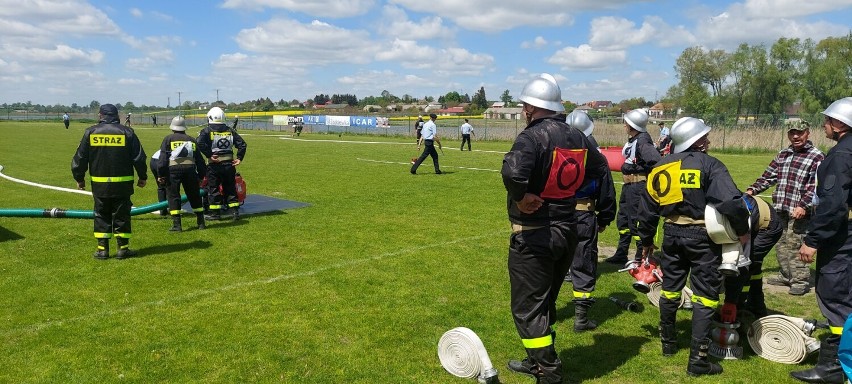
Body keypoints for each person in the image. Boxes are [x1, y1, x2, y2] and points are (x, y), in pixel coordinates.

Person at [502, 74, 609, 384]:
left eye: (524, 105)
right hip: (568, 229)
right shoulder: (578, 136)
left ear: (533, 107)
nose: (523, 110)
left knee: (526, 309)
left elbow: (512, 172)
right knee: (544, 301)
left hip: (535, 233)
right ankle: (535, 361)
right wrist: (570, 191)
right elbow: (600, 169)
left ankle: (548, 371)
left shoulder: (532, 135)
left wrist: (523, 198)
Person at [637, 117, 750, 377]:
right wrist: (742, 231)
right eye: (705, 137)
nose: (708, 141)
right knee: (705, 295)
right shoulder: (710, 165)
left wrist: (645, 241)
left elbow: (647, 209)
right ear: (697, 140)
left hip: (671, 235)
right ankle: (698, 360)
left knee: (670, 290)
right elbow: (731, 203)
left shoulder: (661, 166)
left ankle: (668, 342)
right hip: (702, 238)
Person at [793, 97, 852, 384]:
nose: (824, 125)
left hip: (841, 236)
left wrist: (813, 239)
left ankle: (833, 367)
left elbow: (833, 205)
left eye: (828, 120)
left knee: (834, 296)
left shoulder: (840, 156)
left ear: (841, 124)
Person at [746, 122, 823, 296]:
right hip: (781, 207)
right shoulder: (783, 154)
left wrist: (804, 205)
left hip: (801, 211)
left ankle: (800, 281)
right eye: (792, 133)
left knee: (795, 243)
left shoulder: (816, 156)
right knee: (780, 243)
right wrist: (752, 190)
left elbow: (816, 186)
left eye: (800, 133)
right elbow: (768, 176)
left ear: (808, 133)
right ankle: (786, 274)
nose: (796, 136)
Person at [71, 104, 147, 260]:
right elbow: (139, 157)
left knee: (101, 214)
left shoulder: (90, 132)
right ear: (117, 115)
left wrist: (79, 179)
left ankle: (102, 249)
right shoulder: (127, 132)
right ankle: (123, 249)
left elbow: (80, 158)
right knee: (122, 215)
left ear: (101, 115)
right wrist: (142, 176)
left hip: (99, 185)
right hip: (123, 185)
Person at [563, 110, 617, 332]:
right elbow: (607, 192)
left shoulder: (555, 154)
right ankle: (581, 318)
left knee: (551, 265)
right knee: (583, 263)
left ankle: (546, 313)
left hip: (556, 215)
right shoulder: (596, 158)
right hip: (584, 214)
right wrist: (604, 218)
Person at [604, 108, 662, 265]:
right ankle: (621, 253)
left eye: (626, 123)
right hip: (628, 186)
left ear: (632, 125)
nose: (624, 126)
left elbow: (655, 161)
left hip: (638, 187)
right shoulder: (633, 139)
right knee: (623, 220)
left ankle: (639, 256)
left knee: (636, 221)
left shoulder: (643, 141)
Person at [721, 193, 783, 319]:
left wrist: (730, 302)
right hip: (750, 222)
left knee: (745, 267)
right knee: (753, 269)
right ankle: (757, 307)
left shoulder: (737, 216)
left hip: (767, 227)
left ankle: (739, 308)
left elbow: (742, 262)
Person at [157, 116, 208, 232]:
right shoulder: (192, 140)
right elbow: (199, 160)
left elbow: (163, 159)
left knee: (173, 196)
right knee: (194, 195)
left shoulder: (168, 139)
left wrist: (161, 175)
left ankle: (177, 225)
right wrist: (201, 176)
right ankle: (201, 223)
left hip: (173, 171)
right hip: (190, 170)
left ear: (172, 127)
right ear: (184, 127)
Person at [197, 107, 247, 221]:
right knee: (230, 188)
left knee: (213, 189)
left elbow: (199, 143)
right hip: (229, 165)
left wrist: (209, 154)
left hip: (214, 165)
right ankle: (235, 212)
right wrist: (239, 158)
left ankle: (215, 213)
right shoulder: (230, 131)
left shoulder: (207, 131)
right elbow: (242, 144)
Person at [150, 150, 168, 216]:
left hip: (154, 159)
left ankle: (163, 211)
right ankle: (173, 210)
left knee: (162, 187)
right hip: (162, 161)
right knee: (170, 187)